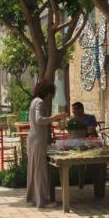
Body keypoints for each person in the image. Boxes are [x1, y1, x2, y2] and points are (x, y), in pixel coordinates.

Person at [26, 79, 67, 208]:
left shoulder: (34, 101)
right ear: (47, 92)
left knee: (34, 169)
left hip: (33, 138)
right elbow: (39, 120)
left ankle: (34, 198)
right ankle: (42, 201)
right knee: (40, 170)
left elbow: (39, 121)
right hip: (38, 140)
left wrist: (53, 122)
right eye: (51, 93)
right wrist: (56, 117)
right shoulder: (40, 102)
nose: (51, 96)